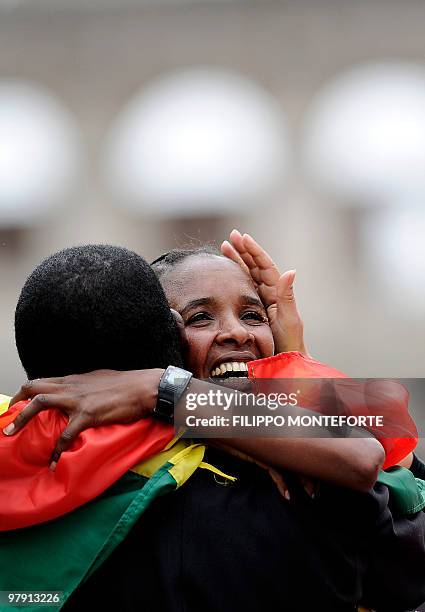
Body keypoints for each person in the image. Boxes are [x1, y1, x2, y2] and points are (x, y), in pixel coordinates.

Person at [3, 241, 425, 611]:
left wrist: (293, 363)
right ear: (161, 338)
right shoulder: (296, 481)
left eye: (254, 315)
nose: (237, 333)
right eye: (200, 318)